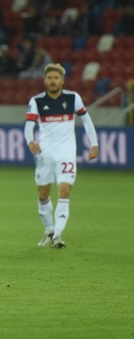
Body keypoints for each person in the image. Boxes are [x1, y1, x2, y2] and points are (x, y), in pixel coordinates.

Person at [24, 63, 99, 249]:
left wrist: (95, 144)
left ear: (62, 80)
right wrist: (30, 141)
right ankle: (49, 229)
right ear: (44, 80)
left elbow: (87, 121)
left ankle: (57, 236)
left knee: (64, 191)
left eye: (56, 78)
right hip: (45, 155)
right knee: (43, 194)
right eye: (49, 78)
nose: (52, 81)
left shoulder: (73, 98)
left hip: (66, 154)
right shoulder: (37, 101)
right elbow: (29, 125)